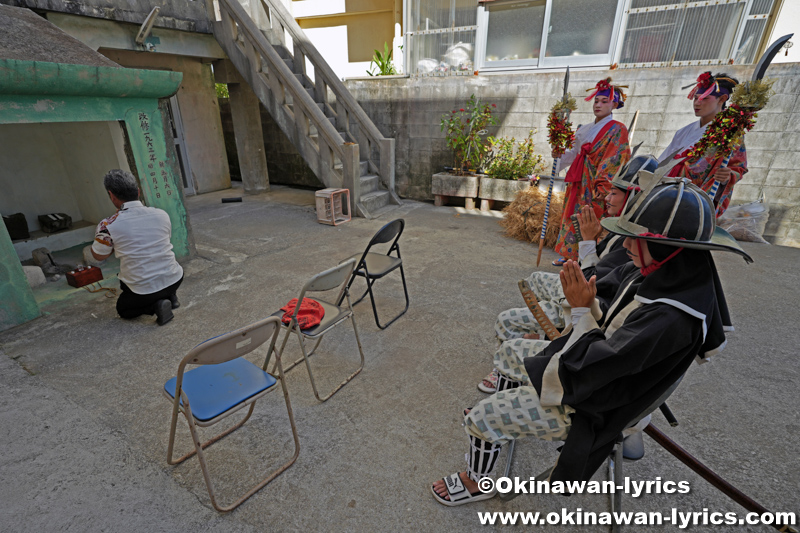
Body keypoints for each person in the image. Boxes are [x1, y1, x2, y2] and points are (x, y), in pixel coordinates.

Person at [431, 177, 752, 506]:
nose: (625, 245)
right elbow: (611, 322)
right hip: (598, 373)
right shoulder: (662, 273)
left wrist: (581, 309)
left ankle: (476, 480)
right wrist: (586, 305)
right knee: (511, 354)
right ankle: (508, 421)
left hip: (598, 404)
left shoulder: (670, 318)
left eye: (634, 239)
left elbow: (596, 367)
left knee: (483, 416)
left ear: (666, 246)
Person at [479, 155, 658, 393]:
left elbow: (593, 280)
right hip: (588, 305)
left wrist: (587, 242)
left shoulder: (634, 243)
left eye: (615, 193)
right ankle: (535, 338)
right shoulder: (624, 231)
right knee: (535, 280)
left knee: (506, 320)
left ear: (634, 199)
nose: (607, 197)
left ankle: (511, 373)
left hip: (587, 311)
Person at [552, 78, 631, 266]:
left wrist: (602, 184)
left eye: (604, 101)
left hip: (597, 182)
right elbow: (574, 153)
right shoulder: (583, 129)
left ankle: (588, 256)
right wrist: (558, 156)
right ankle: (569, 254)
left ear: (614, 104)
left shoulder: (618, 129)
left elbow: (615, 157)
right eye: (596, 100)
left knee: (591, 217)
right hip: (579, 179)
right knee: (573, 214)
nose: (598, 104)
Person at [91, 169, 184, 325]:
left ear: (112, 195)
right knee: (160, 261)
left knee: (124, 310)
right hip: (174, 278)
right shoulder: (161, 214)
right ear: (138, 191)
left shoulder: (108, 225)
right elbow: (160, 241)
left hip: (143, 290)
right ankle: (171, 297)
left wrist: (116, 244)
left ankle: (157, 306)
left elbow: (99, 255)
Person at [660, 72, 746, 216]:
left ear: (722, 99)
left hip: (696, 199)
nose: (697, 103)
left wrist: (728, 175)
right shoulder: (683, 132)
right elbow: (663, 162)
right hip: (668, 192)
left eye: (704, 98)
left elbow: (738, 167)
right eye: (695, 98)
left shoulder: (731, 133)